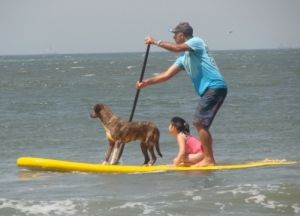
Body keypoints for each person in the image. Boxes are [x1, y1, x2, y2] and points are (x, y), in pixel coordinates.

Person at [136, 22, 227, 166]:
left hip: (214, 86)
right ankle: (206, 157)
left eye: (174, 34)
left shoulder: (197, 42)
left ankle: (209, 160)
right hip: (210, 90)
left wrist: (155, 41)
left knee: (199, 123)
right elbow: (166, 75)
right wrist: (147, 82)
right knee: (200, 123)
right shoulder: (183, 58)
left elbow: (176, 48)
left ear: (182, 35)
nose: (173, 37)